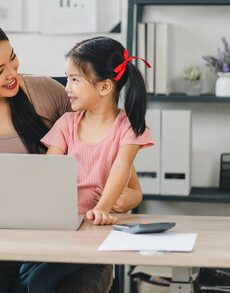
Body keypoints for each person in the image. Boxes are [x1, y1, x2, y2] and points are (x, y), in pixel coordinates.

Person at [0, 17, 144, 293]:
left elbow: (111, 160)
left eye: (13, 58)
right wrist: (12, 196)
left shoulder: (48, 94)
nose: (12, 73)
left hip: (69, 245)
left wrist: (126, 197)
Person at [12, 36, 154, 293]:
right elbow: (49, 174)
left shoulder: (127, 129)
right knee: (24, 280)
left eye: (75, 79)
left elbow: (122, 169)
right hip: (61, 228)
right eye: (67, 78)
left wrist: (102, 208)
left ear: (104, 87)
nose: (67, 87)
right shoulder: (67, 124)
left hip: (95, 233)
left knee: (37, 281)